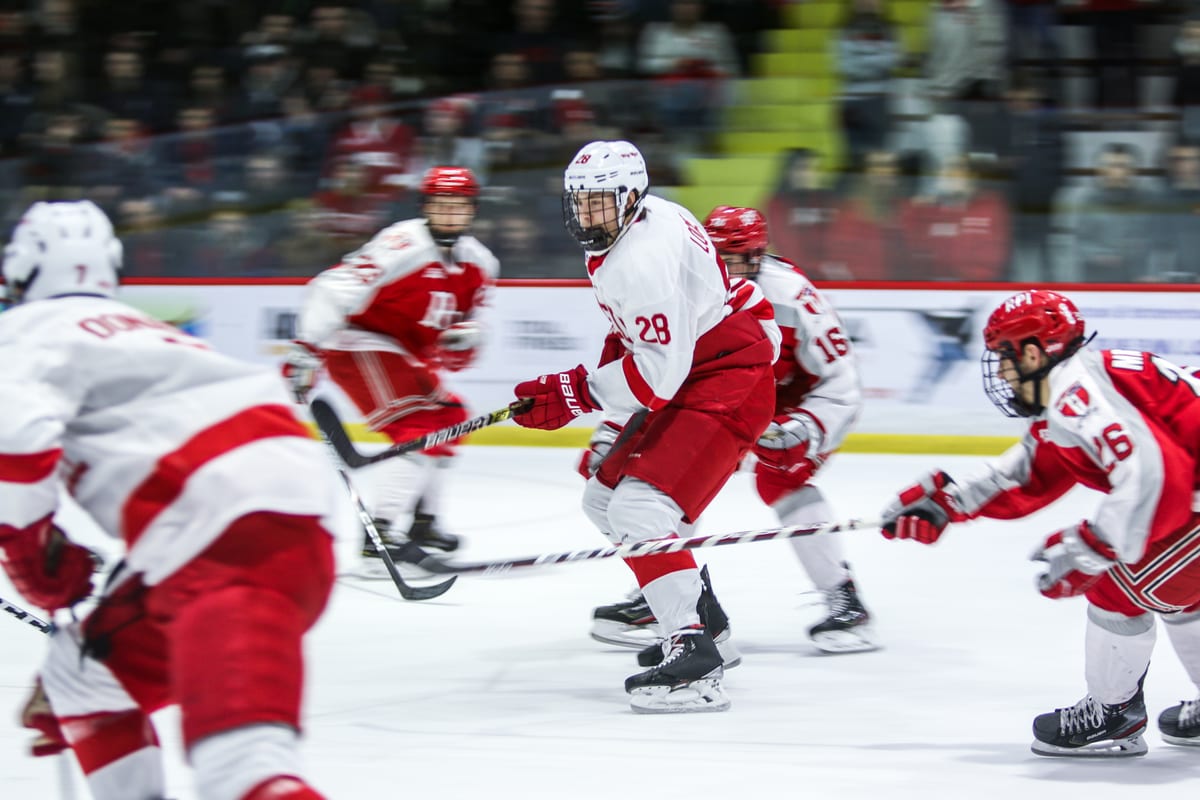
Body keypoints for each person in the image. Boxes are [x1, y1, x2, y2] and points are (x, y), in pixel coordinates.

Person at [0, 200, 335, 799]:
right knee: (81, 677)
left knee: (245, 775)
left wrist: (29, 554)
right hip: (283, 515)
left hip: (225, 531)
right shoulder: (147, 331)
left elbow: (17, 442)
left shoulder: (23, 331)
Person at [511, 140, 780, 714]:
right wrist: (591, 393)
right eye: (579, 203)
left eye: (600, 203)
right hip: (699, 366)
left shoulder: (640, 259)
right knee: (603, 499)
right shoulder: (644, 221)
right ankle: (705, 622)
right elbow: (641, 341)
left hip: (729, 375)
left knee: (640, 509)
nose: (587, 215)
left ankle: (694, 659)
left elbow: (657, 377)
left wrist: (575, 392)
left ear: (630, 197)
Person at [880, 289, 1200, 756]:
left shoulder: (1078, 394)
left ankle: (1113, 715)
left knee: (1120, 586)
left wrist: (1096, 546)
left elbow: (1156, 475)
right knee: (1167, 587)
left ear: (1032, 352)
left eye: (1005, 360)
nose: (1003, 374)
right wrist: (947, 503)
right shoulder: (1083, 380)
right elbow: (1033, 469)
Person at [590, 205, 876, 655]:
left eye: (740, 258)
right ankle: (670, 592)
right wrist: (612, 429)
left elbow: (840, 379)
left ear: (761, 255)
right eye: (721, 257)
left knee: (778, 478)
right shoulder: (689, 287)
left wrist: (808, 427)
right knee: (666, 478)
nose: (729, 269)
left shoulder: (793, 295)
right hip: (720, 398)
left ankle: (845, 598)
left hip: (786, 406)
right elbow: (654, 366)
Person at [286, 166, 498, 574]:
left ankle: (422, 522)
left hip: (402, 354)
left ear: (472, 211)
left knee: (451, 418)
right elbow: (331, 287)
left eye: (459, 207)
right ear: (426, 208)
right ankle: (380, 534)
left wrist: (467, 338)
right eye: (441, 206)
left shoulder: (481, 264)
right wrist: (307, 351)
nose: (450, 214)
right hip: (358, 341)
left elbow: (469, 330)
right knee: (419, 424)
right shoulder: (403, 245)